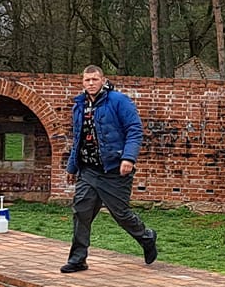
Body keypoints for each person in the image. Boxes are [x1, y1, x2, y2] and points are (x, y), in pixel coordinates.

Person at [62, 65, 157, 273]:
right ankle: (78, 259)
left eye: (94, 79)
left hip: (114, 170)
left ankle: (147, 237)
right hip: (88, 169)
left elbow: (134, 129)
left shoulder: (118, 101)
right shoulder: (79, 105)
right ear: (82, 82)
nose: (91, 83)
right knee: (81, 212)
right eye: (87, 80)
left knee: (120, 213)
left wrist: (128, 157)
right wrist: (72, 167)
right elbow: (77, 138)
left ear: (103, 80)